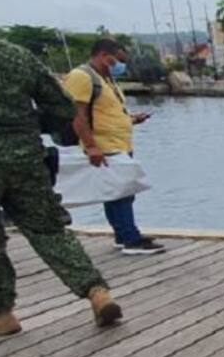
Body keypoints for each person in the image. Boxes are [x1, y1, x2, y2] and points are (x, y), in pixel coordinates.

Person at [0, 0, 121, 335]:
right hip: (24, 155)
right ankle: (96, 292)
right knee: (49, 228)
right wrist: (28, 125)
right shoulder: (14, 55)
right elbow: (62, 107)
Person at [66, 39, 165, 255]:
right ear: (103, 55)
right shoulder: (82, 77)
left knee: (120, 191)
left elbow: (107, 112)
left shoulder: (107, 80)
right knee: (121, 192)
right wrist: (91, 146)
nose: (120, 65)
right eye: (117, 60)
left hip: (119, 143)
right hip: (104, 145)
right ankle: (130, 239)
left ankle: (124, 235)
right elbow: (78, 114)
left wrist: (130, 119)